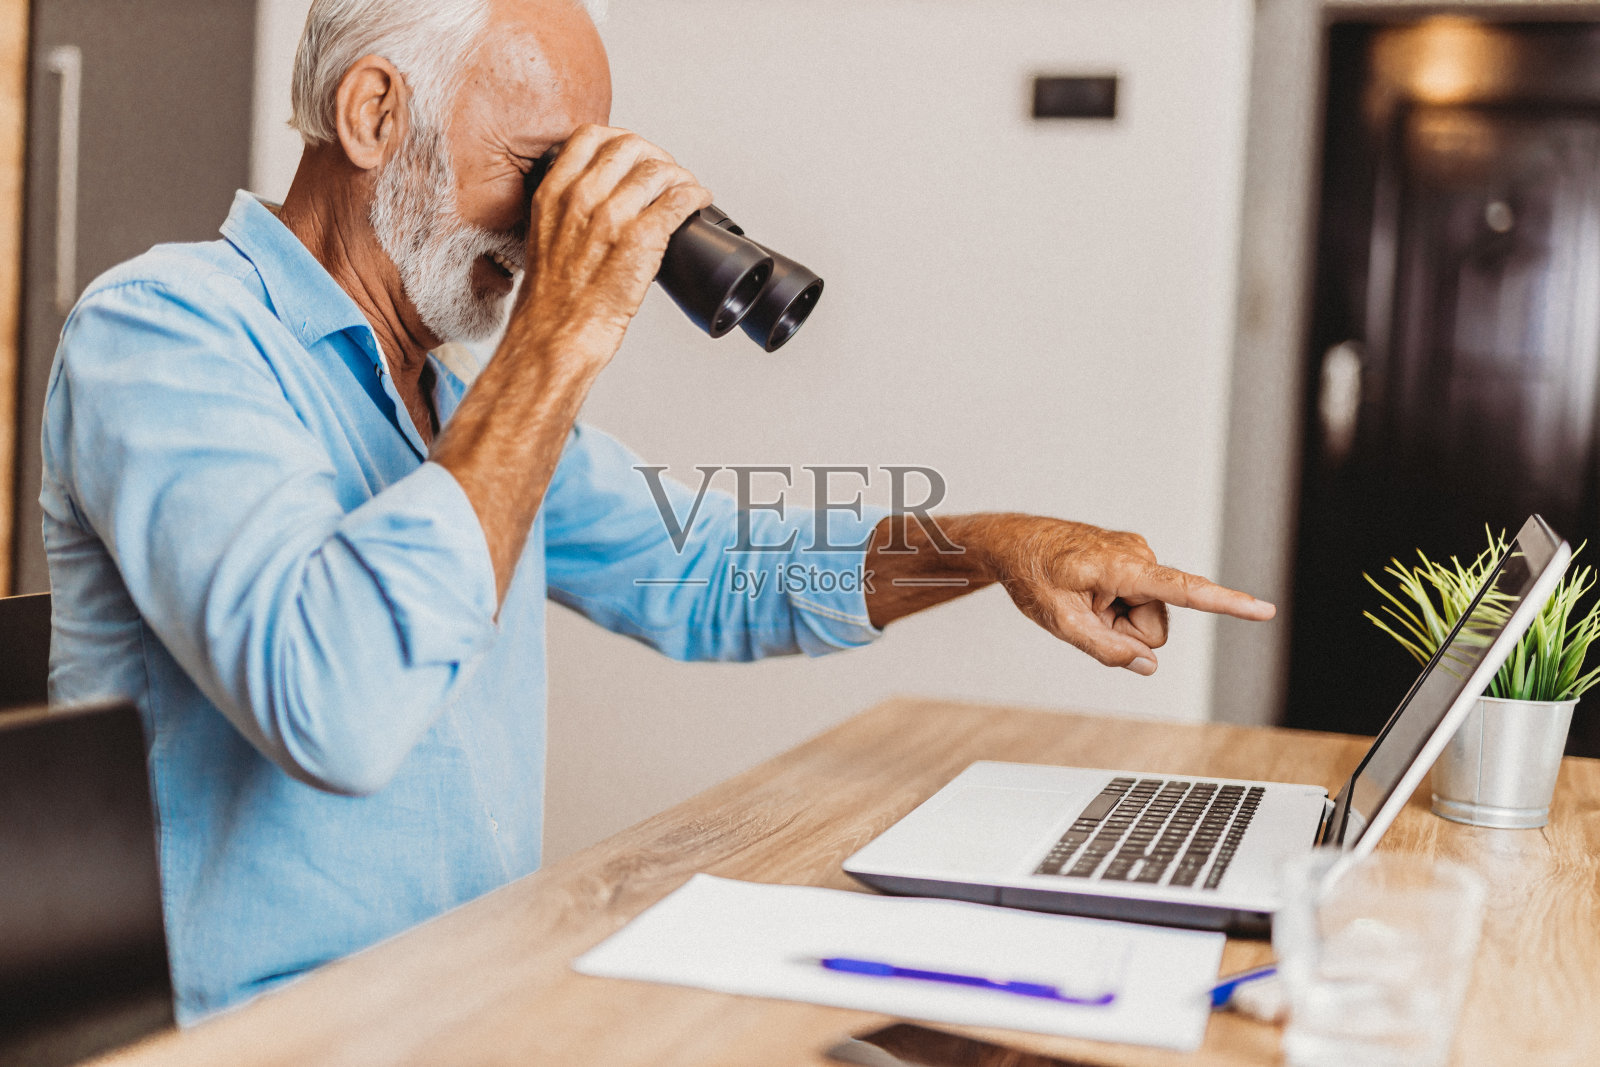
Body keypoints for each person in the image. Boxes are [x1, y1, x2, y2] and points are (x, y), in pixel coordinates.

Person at [40, 0, 1274, 1022]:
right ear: (373, 116)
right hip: (266, 1033)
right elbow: (335, 703)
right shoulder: (167, 333)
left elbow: (708, 568)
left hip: (467, 998)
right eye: (537, 172)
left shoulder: (453, 404)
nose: (546, 232)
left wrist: (990, 546)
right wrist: (562, 334)